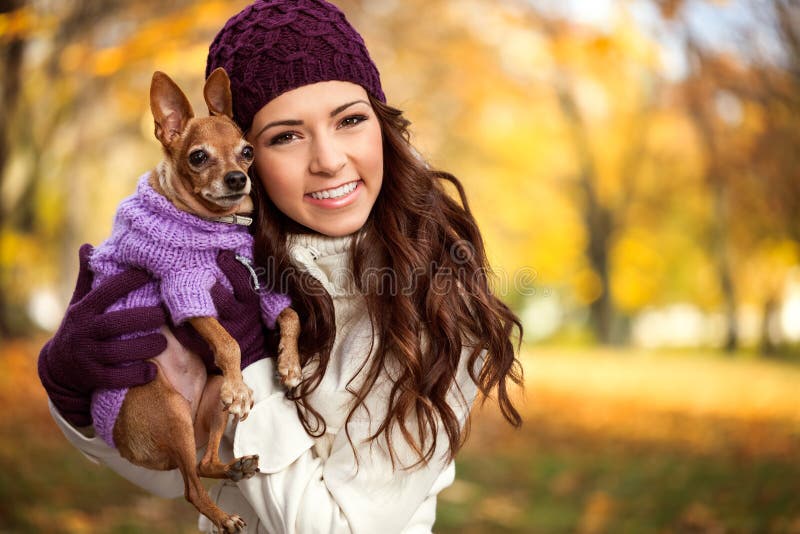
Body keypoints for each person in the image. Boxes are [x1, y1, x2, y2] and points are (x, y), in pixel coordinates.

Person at [37, 0, 524, 532]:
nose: (329, 159)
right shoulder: (240, 263)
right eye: (286, 136)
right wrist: (76, 402)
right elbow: (176, 468)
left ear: (381, 127)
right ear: (248, 153)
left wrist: (247, 361)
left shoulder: (432, 305)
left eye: (351, 120)